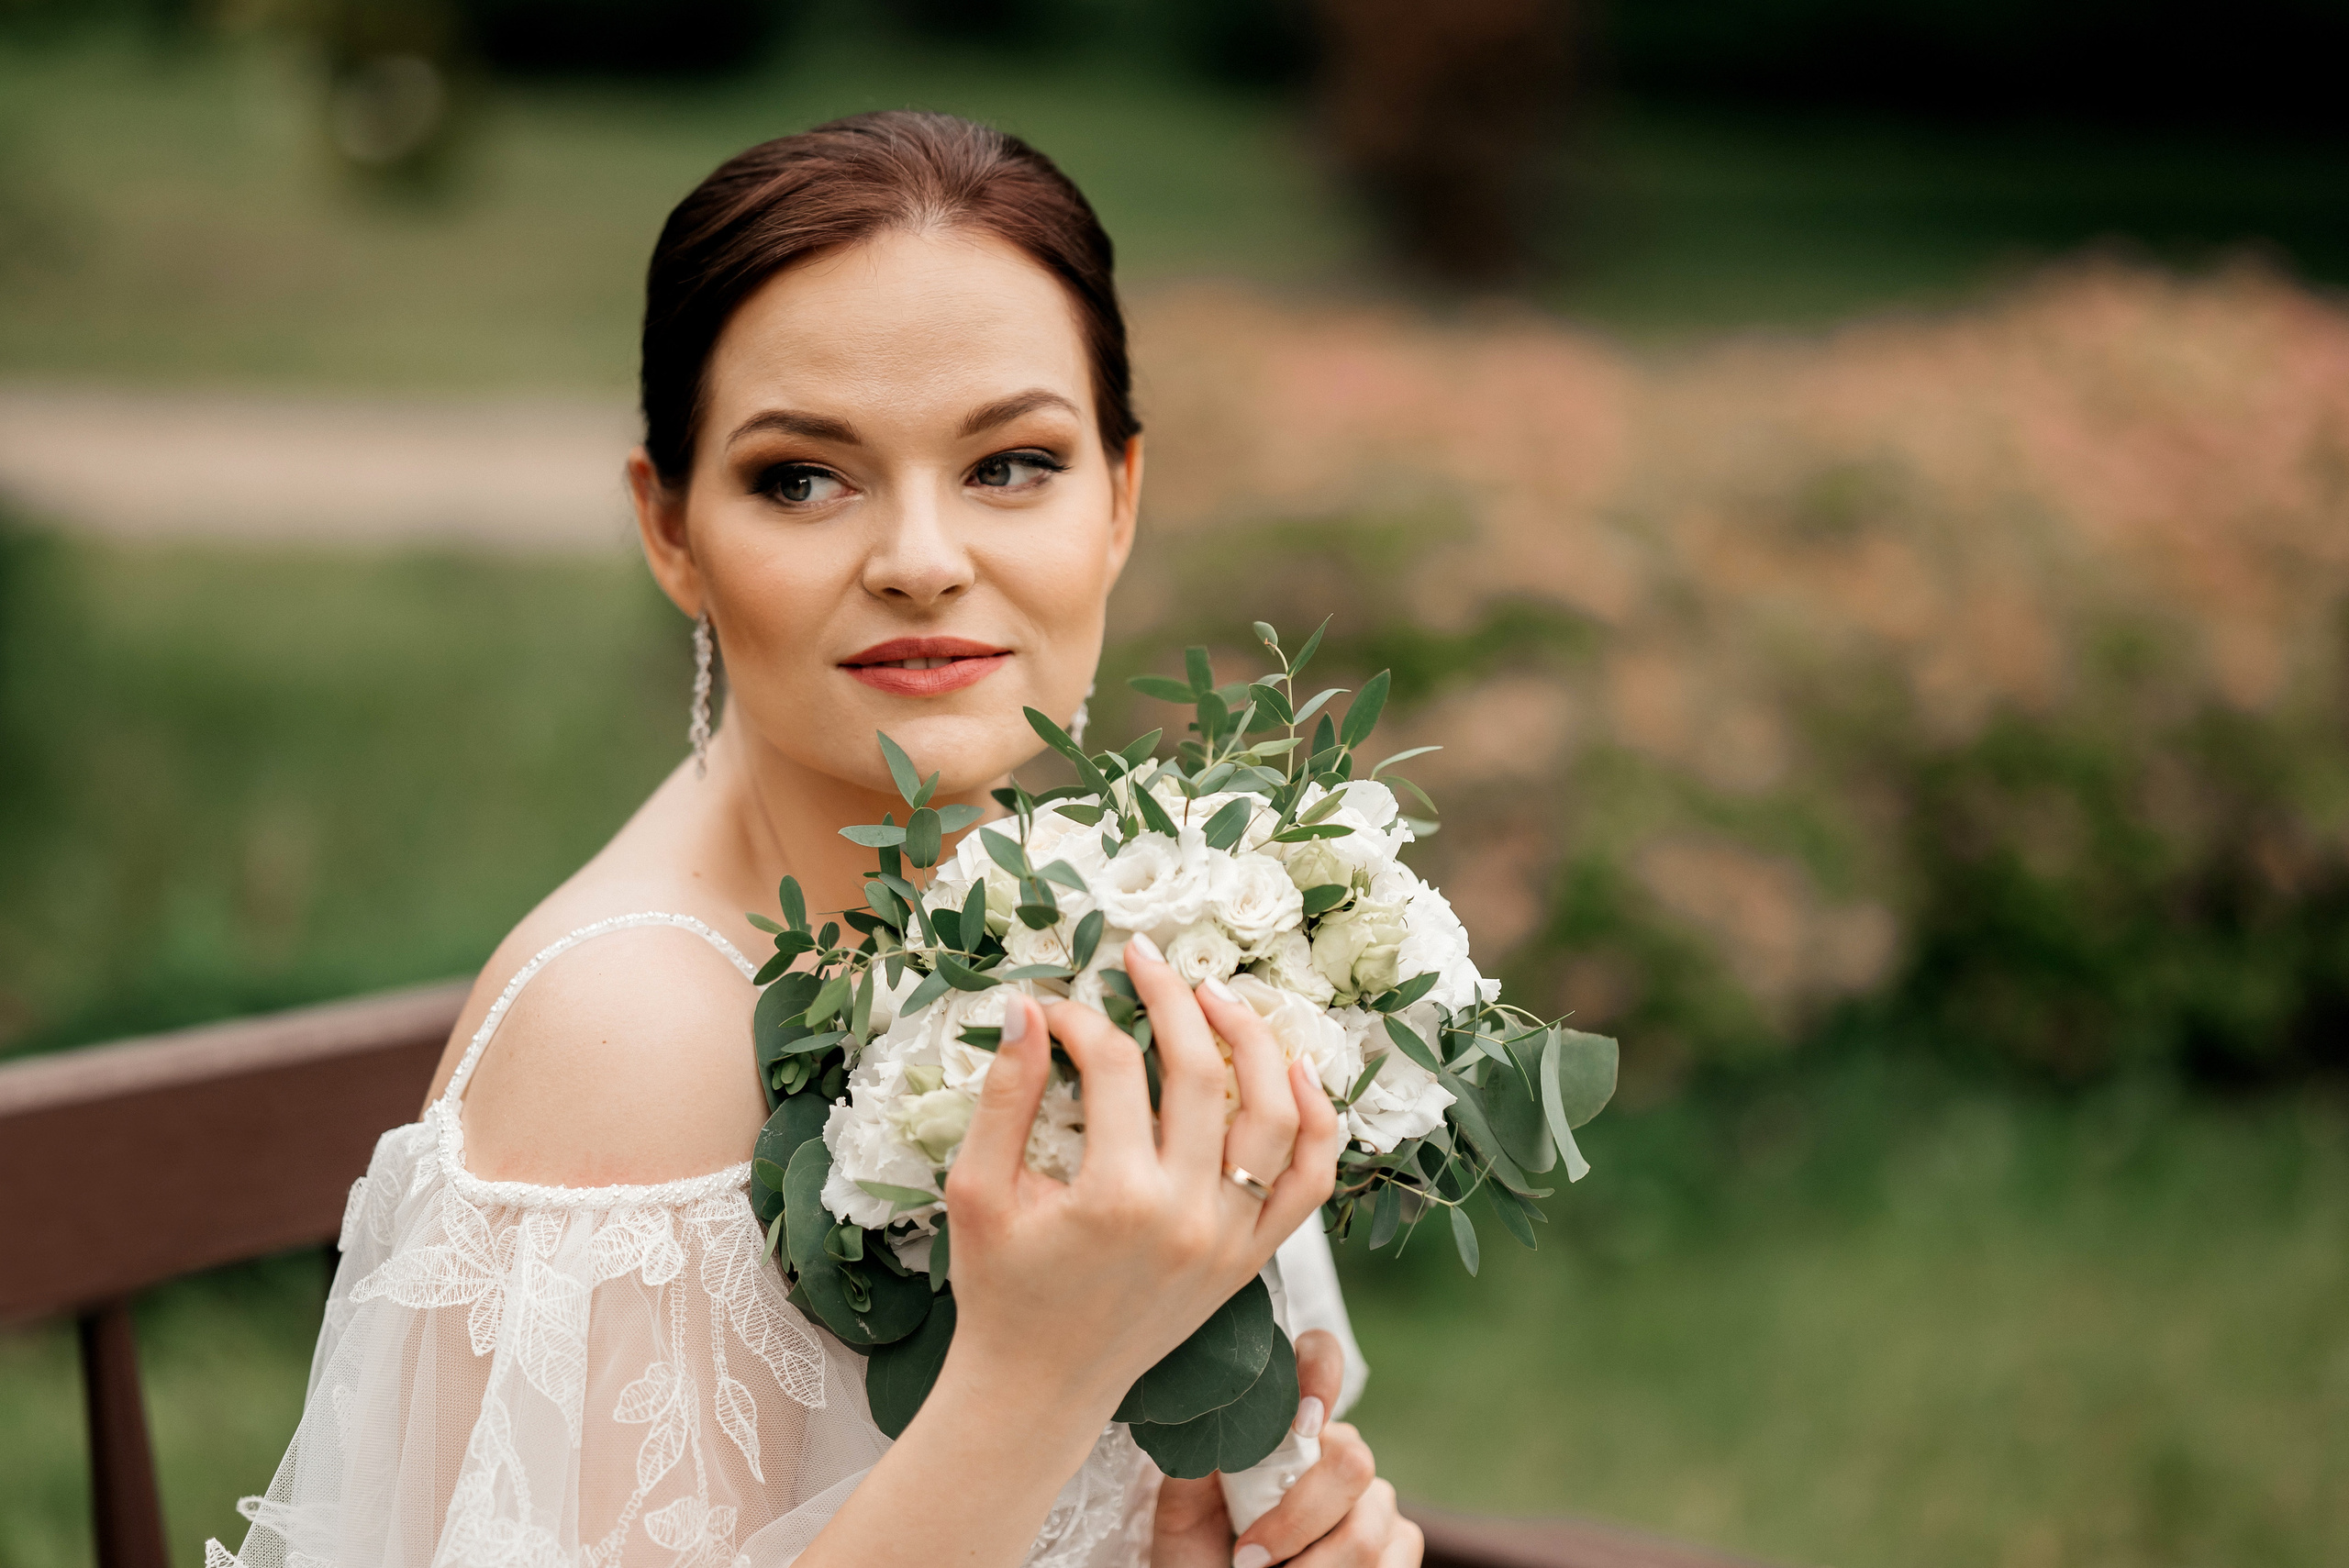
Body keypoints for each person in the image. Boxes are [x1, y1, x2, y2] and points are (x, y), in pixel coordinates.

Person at [209, 113, 1420, 1568]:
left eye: (1013, 463)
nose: (920, 558)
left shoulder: (1148, 919)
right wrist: (1035, 1377)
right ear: (670, 530)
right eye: (802, 477)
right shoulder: (632, 1041)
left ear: (1122, 497)